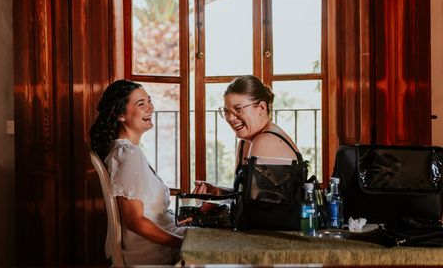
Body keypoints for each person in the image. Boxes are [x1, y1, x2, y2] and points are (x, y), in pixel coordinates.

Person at [89, 79, 184, 266]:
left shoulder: (125, 151)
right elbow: (135, 221)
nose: (150, 108)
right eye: (141, 104)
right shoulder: (129, 154)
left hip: (160, 242)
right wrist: (182, 243)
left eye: (149, 101)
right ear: (120, 115)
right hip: (152, 253)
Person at [193, 75, 300, 195]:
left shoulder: (265, 141)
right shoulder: (244, 143)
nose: (230, 118)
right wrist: (216, 191)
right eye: (226, 111)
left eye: (238, 109)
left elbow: (256, 210)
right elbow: (248, 196)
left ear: (261, 107)